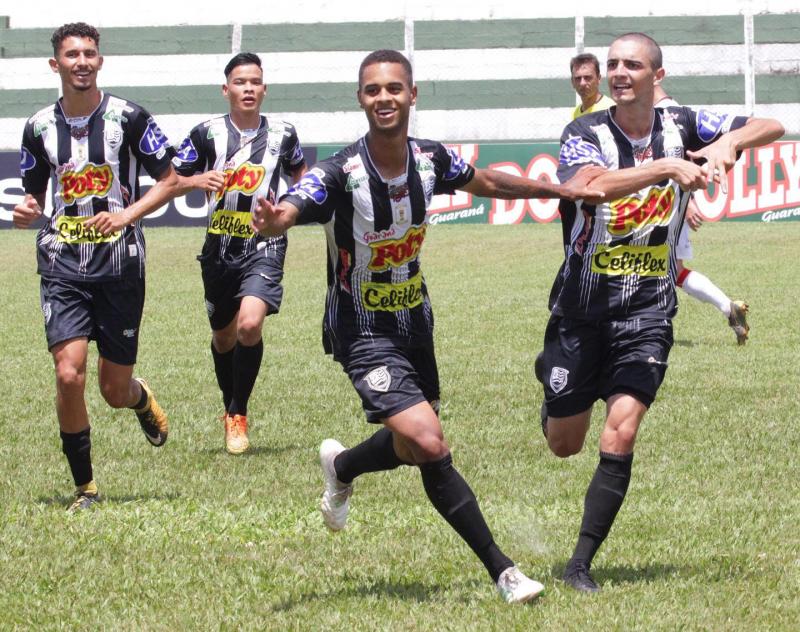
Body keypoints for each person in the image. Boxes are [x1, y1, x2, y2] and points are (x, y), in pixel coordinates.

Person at [251, 49, 603, 603]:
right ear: (360, 98)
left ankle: (342, 466)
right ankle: (504, 572)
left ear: (412, 95)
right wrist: (280, 218)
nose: (384, 98)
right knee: (431, 442)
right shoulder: (340, 173)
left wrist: (560, 190)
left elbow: (487, 181)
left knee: (413, 447)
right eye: (372, 90)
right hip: (361, 329)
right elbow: (299, 201)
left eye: (394, 88)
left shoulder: (431, 160)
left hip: (416, 322)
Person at [540, 33, 783, 592]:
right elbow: (590, 187)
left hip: (649, 307)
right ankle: (550, 379)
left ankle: (580, 565)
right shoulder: (585, 131)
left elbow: (771, 125)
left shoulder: (682, 120)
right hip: (583, 307)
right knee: (564, 443)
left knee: (620, 435)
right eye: (613, 65)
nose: (619, 72)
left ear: (657, 75)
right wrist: (670, 168)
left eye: (632, 65)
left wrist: (729, 144)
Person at [14, 23, 181, 512]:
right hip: (62, 261)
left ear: (99, 62)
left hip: (120, 264)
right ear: (56, 65)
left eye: (90, 53)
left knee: (111, 389)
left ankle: (138, 396)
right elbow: (33, 195)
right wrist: (28, 212)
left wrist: (127, 214)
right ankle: (85, 488)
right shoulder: (39, 126)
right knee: (69, 375)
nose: (81, 61)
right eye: (72, 54)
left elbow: (169, 180)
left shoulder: (129, 117)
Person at [173, 53, 307, 454]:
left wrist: (286, 210)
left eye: (255, 82)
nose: (248, 88)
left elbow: (301, 177)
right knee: (224, 336)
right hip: (218, 250)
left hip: (264, 244)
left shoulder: (284, 133)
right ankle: (229, 405)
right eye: (240, 81)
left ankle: (238, 412)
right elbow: (171, 179)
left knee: (250, 326)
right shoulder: (205, 133)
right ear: (226, 89)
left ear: (264, 89)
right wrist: (197, 178)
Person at [653, 85, 750, 344]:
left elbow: (682, 163)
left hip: (665, 209)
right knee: (675, 271)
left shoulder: (669, 117)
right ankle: (729, 308)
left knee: (660, 270)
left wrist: (689, 200)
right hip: (664, 206)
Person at [570, 53, 615, 120]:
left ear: (599, 79)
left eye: (587, 77)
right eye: (578, 78)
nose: (582, 83)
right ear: (572, 82)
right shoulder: (575, 113)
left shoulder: (611, 110)